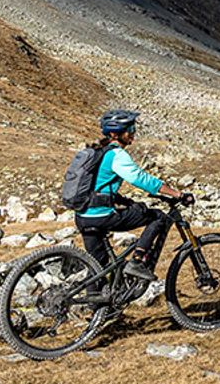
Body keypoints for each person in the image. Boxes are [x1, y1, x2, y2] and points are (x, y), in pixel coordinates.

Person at [77, 108, 182, 275]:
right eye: (130, 130)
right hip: (101, 215)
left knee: (98, 268)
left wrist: (122, 200)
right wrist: (176, 194)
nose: (133, 133)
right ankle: (137, 261)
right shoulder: (116, 154)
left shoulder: (98, 152)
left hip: (83, 216)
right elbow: (139, 179)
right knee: (158, 217)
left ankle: (96, 299)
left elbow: (98, 185)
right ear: (115, 133)